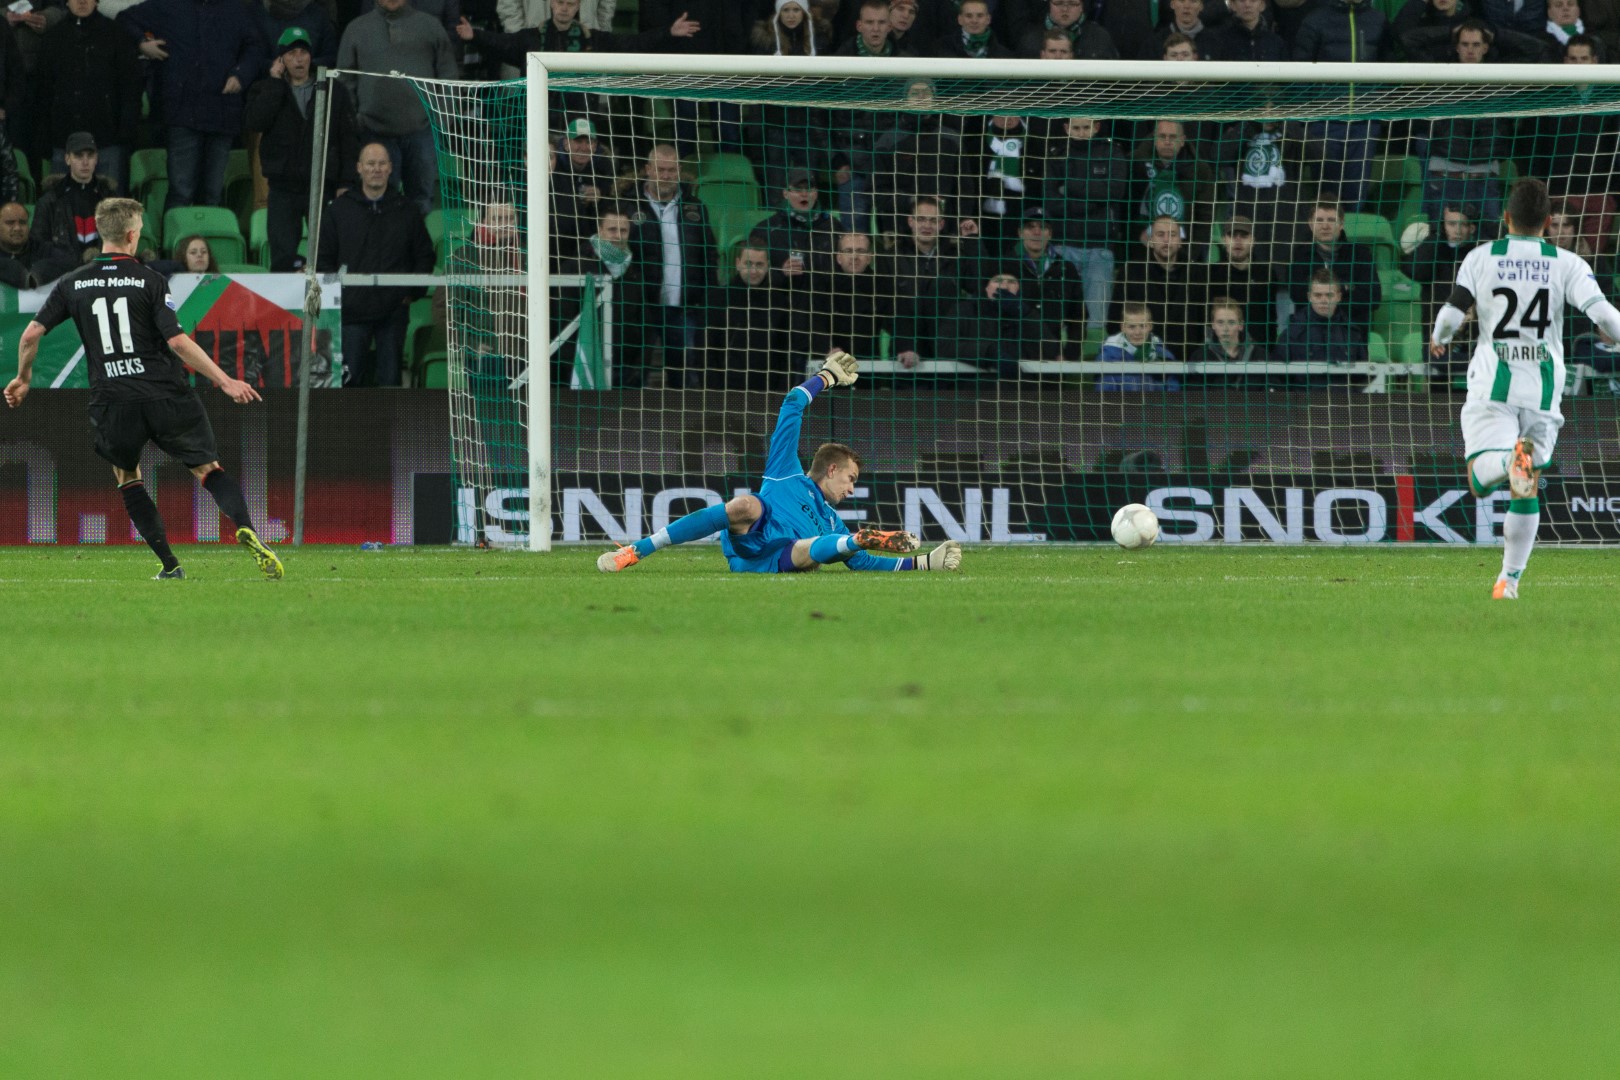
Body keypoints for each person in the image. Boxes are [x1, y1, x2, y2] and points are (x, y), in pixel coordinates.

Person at [3, 197, 283, 581]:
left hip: (113, 398)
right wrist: (225, 380)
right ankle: (246, 527)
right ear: (133, 235)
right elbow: (177, 342)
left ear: (102, 233)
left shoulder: (73, 282)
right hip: (165, 392)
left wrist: (23, 378)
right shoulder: (149, 280)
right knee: (208, 469)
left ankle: (170, 565)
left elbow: (31, 334)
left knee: (127, 476)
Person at [598, 351, 962, 574]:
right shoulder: (786, 471)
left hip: (786, 558)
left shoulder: (832, 520)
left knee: (818, 547)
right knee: (747, 503)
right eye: (851, 478)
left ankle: (858, 538)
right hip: (750, 544)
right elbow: (792, 404)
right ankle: (638, 550)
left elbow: (863, 563)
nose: (852, 488)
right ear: (831, 469)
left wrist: (922, 562)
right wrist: (825, 377)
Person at [1431, 178, 1620, 596]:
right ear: (1549, 222)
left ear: (1506, 218)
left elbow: (1451, 313)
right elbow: (1605, 316)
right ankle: (1508, 581)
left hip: (1493, 385)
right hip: (1543, 389)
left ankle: (1507, 459)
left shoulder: (1481, 257)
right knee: (1527, 478)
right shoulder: (1567, 262)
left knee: (1481, 478)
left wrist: (1439, 338)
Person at [117, 0, 265, 210]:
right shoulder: (168, 5)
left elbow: (255, 47)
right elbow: (125, 19)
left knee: (213, 193)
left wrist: (241, 75)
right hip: (182, 114)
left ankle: (208, 233)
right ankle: (176, 233)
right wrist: (142, 43)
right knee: (181, 191)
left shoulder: (235, 9)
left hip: (222, 112)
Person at [315, 142, 435, 386]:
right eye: (370, 163)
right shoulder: (339, 210)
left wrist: (412, 293)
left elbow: (424, 256)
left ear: (390, 168)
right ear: (359, 168)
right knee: (349, 381)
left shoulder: (407, 210)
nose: (376, 169)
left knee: (390, 382)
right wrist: (339, 295)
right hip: (351, 312)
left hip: (393, 312)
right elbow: (323, 258)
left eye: (381, 164)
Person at [245, 27, 359, 272]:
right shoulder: (266, 88)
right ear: (281, 59)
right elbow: (256, 122)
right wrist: (275, 83)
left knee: (327, 253)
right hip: (282, 187)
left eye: (303, 52)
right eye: (292, 53)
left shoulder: (332, 89)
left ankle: (327, 297)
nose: (299, 59)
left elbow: (348, 138)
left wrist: (346, 182)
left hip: (323, 186)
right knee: (282, 256)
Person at [337, 0, 460, 217]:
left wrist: (440, 121)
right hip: (373, 132)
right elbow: (345, 80)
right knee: (378, 203)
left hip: (422, 132)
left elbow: (448, 75)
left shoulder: (431, 26)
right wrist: (355, 121)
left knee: (421, 202)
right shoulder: (356, 29)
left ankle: (415, 240)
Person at [33, 0, 143, 196]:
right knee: (61, 208)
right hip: (63, 140)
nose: (82, 1)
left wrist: (125, 132)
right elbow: (43, 91)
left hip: (107, 140)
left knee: (109, 208)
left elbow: (130, 88)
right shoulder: (53, 38)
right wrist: (45, 135)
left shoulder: (116, 35)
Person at [627, 144, 715, 388]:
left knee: (684, 376)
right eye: (660, 170)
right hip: (642, 306)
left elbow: (709, 255)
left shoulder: (696, 207)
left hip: (684, 306)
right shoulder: (628, 206)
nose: (666, 176)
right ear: (648, 169)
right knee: (636, 373)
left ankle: (684, 414)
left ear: (679, 171)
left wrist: (708, 297)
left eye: (671, 170)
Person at [1292, 0, 1388, 209]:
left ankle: (1351, 232)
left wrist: (1379, 107)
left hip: (1365, 123)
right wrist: (1307, 119)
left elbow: (1388, 67)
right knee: (1326, 195)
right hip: (1325, 122)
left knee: (1357, 194)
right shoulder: (1315, 20)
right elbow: (1299, 74)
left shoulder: (1378, 20)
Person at [1044, 117, 1127, 334]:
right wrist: (1092, 203)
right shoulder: (1056, 155)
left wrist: (1070, 188)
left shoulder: (1112, 153)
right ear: (1066, 128)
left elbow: (1115, 191)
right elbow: (1050, 201)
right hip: (1063, 245)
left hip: (1100, 246)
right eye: (1076, 128)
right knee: (1060, 317)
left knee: (1097, 319)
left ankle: (1094, 356)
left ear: (1096, 127)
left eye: (1086, 127)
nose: (1081, 133)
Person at [892, 194, 976, 369]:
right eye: (921, 219)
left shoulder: (956, 256)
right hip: (906, 355)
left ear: (941, 224)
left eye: (933, 220)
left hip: (949, 354)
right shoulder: (892, 257)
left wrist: (972, 241)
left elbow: (978, 284)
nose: (927, 225)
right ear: (910, 221)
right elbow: (888, 309)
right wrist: (907, 347)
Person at [703, 239, 794, 391]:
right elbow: (706, 352)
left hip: (768, 391)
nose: (753, 271)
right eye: (748, 264)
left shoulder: (779, 302)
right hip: (726, 391)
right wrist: (715, 393)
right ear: (738, 263)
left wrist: (779, 392)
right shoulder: (717, 300)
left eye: (759, 265)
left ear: (767, 265)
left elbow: (785, 354)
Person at [1114, 214, 1206, 361]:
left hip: (1187, 362)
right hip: (1141, 362)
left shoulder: (1196, 273)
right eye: (1160, 234)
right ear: (1150, 241)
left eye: (1172, 235)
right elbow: (1115, 320)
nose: (1166, 240)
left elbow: (1203, 321)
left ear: (1180, 241)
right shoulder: (1131, 272)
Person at [1285, 199, 1382, 334]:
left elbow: (1373, 297)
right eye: (1319, 220)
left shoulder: (1361, 255)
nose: (1325, 226)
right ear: (1311, 224)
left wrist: (1321, 297)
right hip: (1309, 335)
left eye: (1331, 220)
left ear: (1341, 224)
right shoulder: (1300, 255)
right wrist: (1345, 287)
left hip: (1351, 335)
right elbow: (1298, 295)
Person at [31, 132, 118, 261]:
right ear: (67, 159)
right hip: (62, 269)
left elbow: (122, 241)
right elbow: (38, 244)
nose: (85, 162)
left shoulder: (111, 200)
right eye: (78, 155)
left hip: (102, 268)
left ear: (96, 159)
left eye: (90, 156)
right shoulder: (50, 200)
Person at [1273, 268, 1367, 383]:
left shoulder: (1352, 334)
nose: (1324, 300)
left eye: (1329, 295)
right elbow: (1277, 379)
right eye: (1318, 295)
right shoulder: (1291, 335)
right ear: (1309, 297)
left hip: (1342, 394)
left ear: (1339, 297)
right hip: (1304, 394)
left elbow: (1363, 378)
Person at [1206, 213, 1275, 344]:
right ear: (1224, 240)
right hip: (1220, 350)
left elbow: (1271, 319)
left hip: (1258, 350)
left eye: (1244, 236)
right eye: (1232, 235)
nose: (1238, 241)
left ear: (1253, 240)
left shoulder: (1266, 274)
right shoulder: (1210, 275)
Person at [1099, 301, 1179, 391]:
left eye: (1142, 326)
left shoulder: (1165, 355)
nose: (1137, 332)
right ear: (1123, 327)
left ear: (1150, 326)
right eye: (1132, 327)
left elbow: (1173, 390)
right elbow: (1105, 394)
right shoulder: (1108, 356)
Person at [0, 202, 78, 288]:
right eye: (10, 223)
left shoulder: (40, 248)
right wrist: (12, 270)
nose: (17, 228)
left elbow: (71, 261)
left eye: (22, 223)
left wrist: (37, 274)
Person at [1014, 0, 1118, 59]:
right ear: (1049, 5)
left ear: (1082, 6)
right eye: (1058, 3)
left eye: (1073, 4)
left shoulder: (1100, 38)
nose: (1065, 9)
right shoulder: (1030, 41)